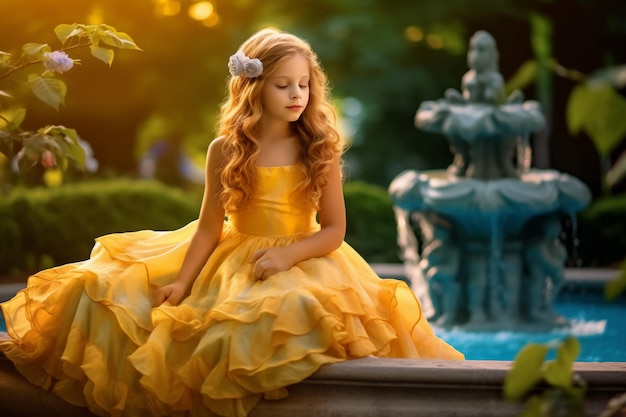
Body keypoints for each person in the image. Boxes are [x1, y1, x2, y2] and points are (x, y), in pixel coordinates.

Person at [0, 28, 463, 417]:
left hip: (304, 254)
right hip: (233, 251)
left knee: (292, 309)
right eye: (283, 84)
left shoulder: (318, 149)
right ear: (254, 86)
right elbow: (207, 227)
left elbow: (334, 230)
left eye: (303, 84)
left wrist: (286, 255)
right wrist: (183, 282)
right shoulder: (225, 149)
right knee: (100, 288)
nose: (296, 95)